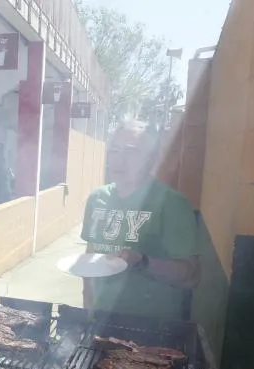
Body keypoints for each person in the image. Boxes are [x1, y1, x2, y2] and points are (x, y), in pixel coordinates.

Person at [81, 120, 200, 321]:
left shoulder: (172, 204)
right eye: (115, 150)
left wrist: (142, 261)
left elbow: (190, 277)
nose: (118, 160)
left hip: (153, 328)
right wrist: (87, 303)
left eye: (131, 152)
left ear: (151, 159)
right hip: (102, 320)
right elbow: (90, 255)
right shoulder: (97, 199)